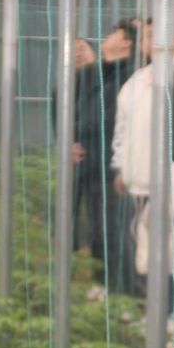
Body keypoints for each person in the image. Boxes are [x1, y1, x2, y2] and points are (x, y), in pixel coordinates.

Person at [112, 20, 174, 341]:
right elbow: (122, 131)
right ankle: (161, 316)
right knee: (154, 257)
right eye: (148, 36)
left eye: (159, 35)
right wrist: (120, 168)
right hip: (141, 184)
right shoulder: (136, 82)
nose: (153, 41)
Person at [95, 21, 144, 294]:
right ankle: (114, 287)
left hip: (119, 167)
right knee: (109, 229)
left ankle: (131, 293)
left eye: (113, 33)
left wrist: (121, 165)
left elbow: (114, 123)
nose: (106, 37)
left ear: (126, 43)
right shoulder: (107, 74)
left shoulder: (129, 78)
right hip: (102, 164)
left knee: (126, 232)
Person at [66, 36, 103, 255]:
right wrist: (68, 146)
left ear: (95, 54)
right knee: (68, 209)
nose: (78, 55)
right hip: (75, 162)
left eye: (83, 49)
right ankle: (69, 254)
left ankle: (97, 260)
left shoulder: (104, 84)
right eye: (74, 51)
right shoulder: (63, 88)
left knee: (98, 217)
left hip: (99, 164)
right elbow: (59, 126)